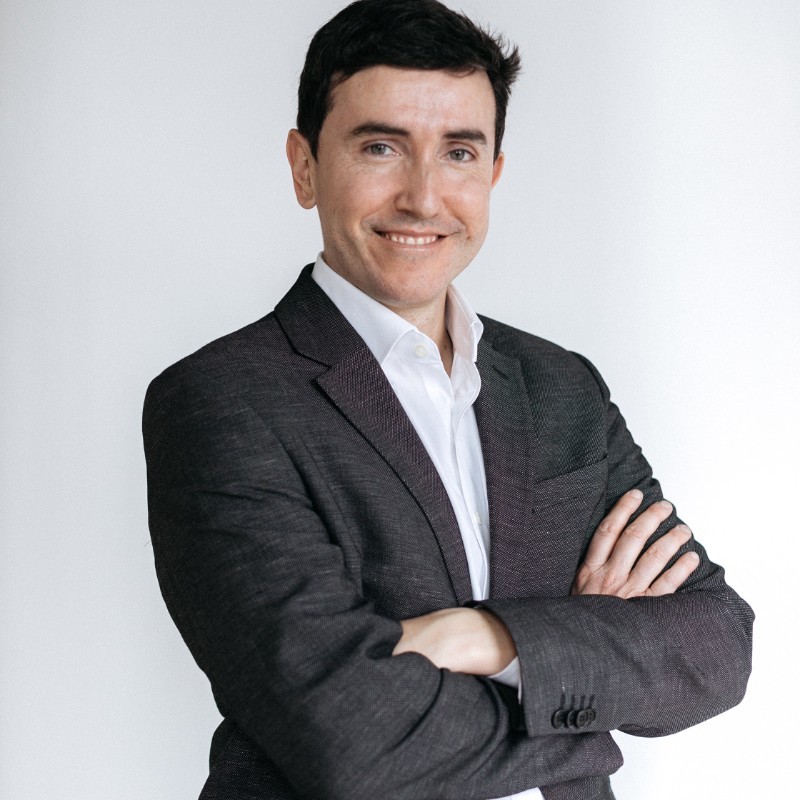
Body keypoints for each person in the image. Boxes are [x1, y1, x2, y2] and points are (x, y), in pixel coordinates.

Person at [142, 1, 753, 798]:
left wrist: (485, 635)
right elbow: (350, 739)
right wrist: (584, 697)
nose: (424, 198)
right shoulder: (222, 401)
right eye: (381, 147)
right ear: (304, 166)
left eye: (459, 152)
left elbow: (716, 646)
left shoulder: (561, 386)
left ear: (493, 172)